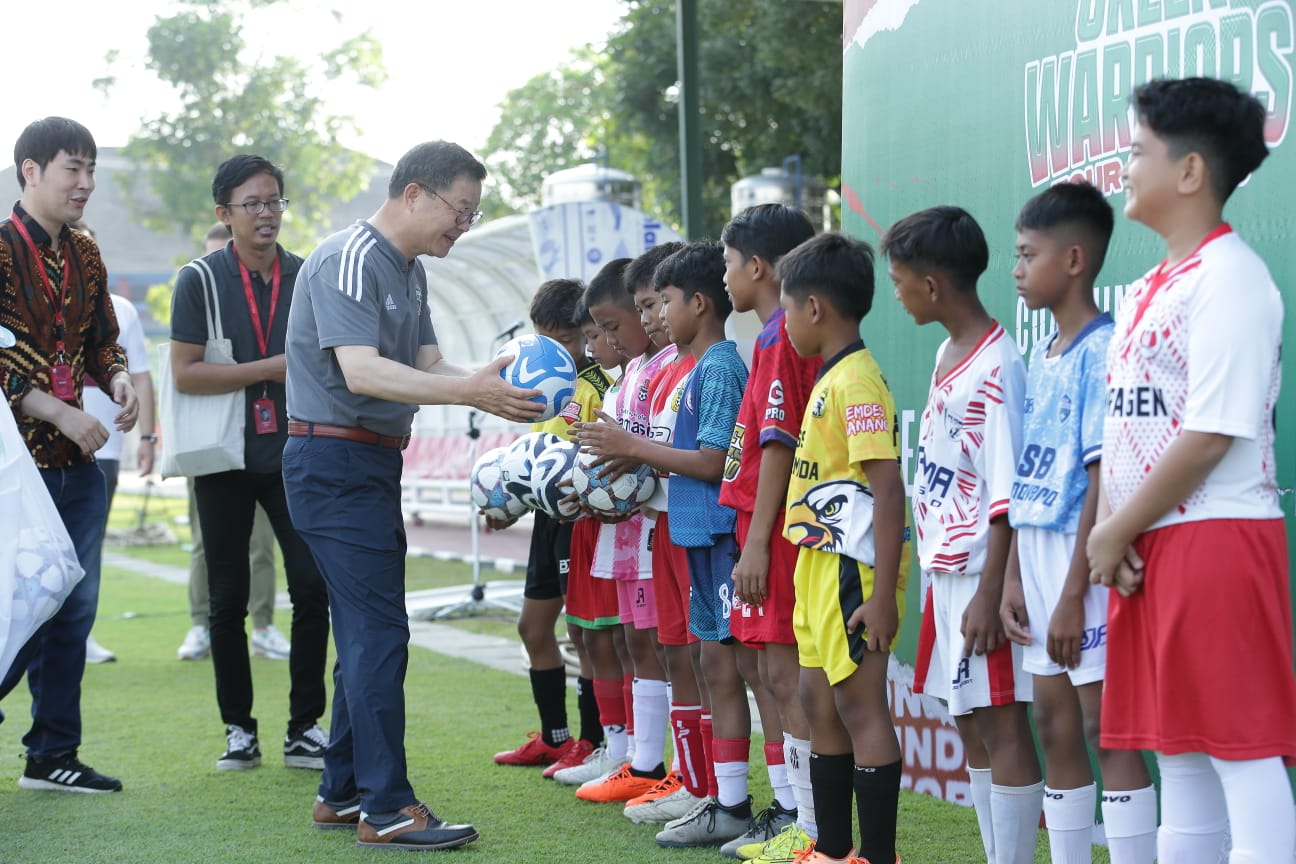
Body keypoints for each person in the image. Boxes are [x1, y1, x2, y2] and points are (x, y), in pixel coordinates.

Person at [282, 140, 541, 851]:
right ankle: (387, 807)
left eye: (473, 213)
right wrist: (471, 388)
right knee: (377, 634)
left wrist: (500, 392)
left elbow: (429, 363)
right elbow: (363, 372)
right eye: (461, 210)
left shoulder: (408, 270)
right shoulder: (351, 257)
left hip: (364, 465)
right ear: (415, 193)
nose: (465, 224)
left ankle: (341, 792)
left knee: (367, 631)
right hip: (333, 460)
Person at [1087, 77, 1296, 864]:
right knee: (1181, 758)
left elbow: (1212, 432)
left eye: (1138, 150)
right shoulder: (1149, 286)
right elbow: (1134, 424)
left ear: (1190, 172)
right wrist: (1124, 534)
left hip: (1216, 536)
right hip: (1150, 545)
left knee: (1241, 754)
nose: (1124, 164)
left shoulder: (1232, 278)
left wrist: (1116, 528)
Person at [998, 182, 1156, 864]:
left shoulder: (1106, 348)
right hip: (1035, 555)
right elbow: (1030, 472)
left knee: (1103, 724)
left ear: (1072, 259)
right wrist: (1011, 576)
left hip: (1081, 558)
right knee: (1054, 723)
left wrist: (1069, 593)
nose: (1016, 269)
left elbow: (1101, 474)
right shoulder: (1045, 352)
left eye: (1027, 254)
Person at [581, 240, 757, 849]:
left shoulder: (720, 367)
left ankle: (767, 805)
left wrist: (629, 447)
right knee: (715, 665)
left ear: (698, 303)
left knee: (747, 671)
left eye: (664, 301)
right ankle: (722, 797)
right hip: (694, 537)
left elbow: (712, 461)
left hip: (720, 539)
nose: (654, 315)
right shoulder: (691, 368)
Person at [886, 205, 1043, 864]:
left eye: (898, 280)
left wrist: (992, 591)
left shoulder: (997, 364)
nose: (894, 293)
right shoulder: (950, 351)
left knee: (1002, 719)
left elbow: (1007, 497)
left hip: (983, 577)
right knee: (969, 719)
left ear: (932, 285)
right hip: (947, 574)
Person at [169, 155, 330, 773]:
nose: (266, 214)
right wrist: (268, 368)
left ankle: (304, 727)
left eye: (274, 202)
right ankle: (238, 728)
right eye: (252, 204)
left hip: (296, 452)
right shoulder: (199, 280)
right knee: (227, 596)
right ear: (224, 214)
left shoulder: (308, 273)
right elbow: (185, 372)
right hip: (224, 456)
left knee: (312, 589)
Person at [0, 116, 137, 793]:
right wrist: (57, 408)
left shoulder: (85, 250)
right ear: (29, 170)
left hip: (77, 461)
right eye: (71, 168)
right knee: (15, 607)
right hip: (11, 467)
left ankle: (52, 754)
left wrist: (113, 378)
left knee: (72, 608)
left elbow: (103, 338)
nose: (85, 182)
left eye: (91, 169)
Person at [772, 231, 908, 864]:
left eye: (787, 305)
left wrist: (882, 598)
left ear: (816, 308)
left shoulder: (857, 382)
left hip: (854, 568)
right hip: (816, 562)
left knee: (858, 703)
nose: (784, 319)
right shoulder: (830, 377)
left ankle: (878, 856)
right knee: (815, 697)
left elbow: (887, 488)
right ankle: (831, 849)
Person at [716, 203, 821, 861]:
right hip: (765, 528)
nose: (726, 277)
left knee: (788, 678)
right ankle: (798, 818)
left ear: (756, 266)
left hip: (779, 534)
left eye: (728, 264)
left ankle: (809, 827)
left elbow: (778, 446)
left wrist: (756, 540)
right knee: (774, 673)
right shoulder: (773, 336)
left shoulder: (782, 337)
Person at [573, 242, 683, 809]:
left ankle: (667, 767)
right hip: (631, 524)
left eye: (643, 311)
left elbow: (653, 446)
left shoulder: (677, 366)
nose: (614, 338)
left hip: (661, 524)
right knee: (640, 639)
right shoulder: (635, 370)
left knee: (667, 646)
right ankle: (643, 760)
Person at [491, 277, 613, 778]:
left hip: (583, 520)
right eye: (545, 340)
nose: (554, 352)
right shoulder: (542, 381)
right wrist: (508, 502)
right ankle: (553, 737)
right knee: (532, 627)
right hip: (549, 518)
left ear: (585, 333)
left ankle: (593, 741)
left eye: (563, 341)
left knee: (584, 634)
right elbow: (537, 461)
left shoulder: (601, 386)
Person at [177, 223, 286, 663]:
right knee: (207, 544)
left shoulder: (276, 290)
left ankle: (263, 626)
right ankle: (200, 625)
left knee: (262, 546)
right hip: (210, 444)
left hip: (265, 446)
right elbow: (184, 372)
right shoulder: (198, 288)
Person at [72, 220, 156, 666]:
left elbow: (139, 373)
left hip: (104, 448)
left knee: (89, 545)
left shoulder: (119, 309)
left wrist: (148, 436)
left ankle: (80, 634)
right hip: (42, 445)